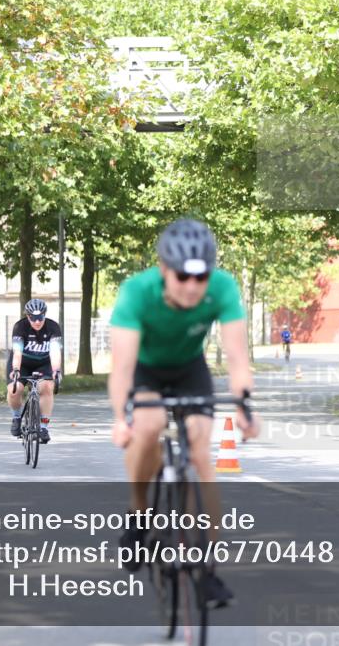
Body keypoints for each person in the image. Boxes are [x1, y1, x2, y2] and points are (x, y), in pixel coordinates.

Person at [108, 217, 260, 609]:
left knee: (200, 451)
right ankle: (139, 515)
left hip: (190, 370)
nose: (192, 286)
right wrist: (121, 418)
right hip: (146, 370)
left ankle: (206, 570)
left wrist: (244, 405)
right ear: (163, 269)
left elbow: (237, 357)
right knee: (149, 425)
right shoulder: (137, 293)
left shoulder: (223, 287)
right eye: (182, 276)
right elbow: (122, 368)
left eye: (201, 277)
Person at [7, 298, 63, 443]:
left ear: (45, 315)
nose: (37, 322)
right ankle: (16, 417)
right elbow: (17, 352)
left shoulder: (53, 327)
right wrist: (16, 369)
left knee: (46, 387)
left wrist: (56, 370)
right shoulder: (20, 327)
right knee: (14, 389)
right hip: (22, 363)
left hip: (44, 363)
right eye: (33, 318)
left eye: (40, 317)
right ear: (28, 316)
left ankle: (43, 428)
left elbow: (55, 352)